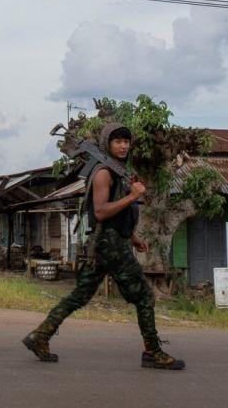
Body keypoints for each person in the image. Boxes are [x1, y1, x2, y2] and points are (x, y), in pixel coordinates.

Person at [22, 123, 185, 370]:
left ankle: (40, 335)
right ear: (107, 144)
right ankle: (152, 352)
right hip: (110, 245)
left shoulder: (119, 172)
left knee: (79, 296)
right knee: (144, 297)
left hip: (107, 242)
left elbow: (117, 215)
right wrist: (132, 196)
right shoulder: (103, 173)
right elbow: (100, 212)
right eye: (117, 141)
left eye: (126, 141)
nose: (123, 146)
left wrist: (133, 237)